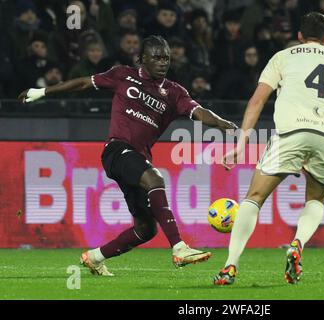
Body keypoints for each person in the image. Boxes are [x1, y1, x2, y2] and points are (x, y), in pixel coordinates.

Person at [19, 35, 238, 276]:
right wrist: (42, 92)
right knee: (155, 179)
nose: (163, 62)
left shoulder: (175, 93)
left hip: (138, 157)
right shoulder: (123, 75)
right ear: (142, 59)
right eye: (156, 57)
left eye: (166, 58)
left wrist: (222, 123)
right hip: (117, 150)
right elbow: (83, 83)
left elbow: (199, 112)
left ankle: (95, 257)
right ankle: (179, 247)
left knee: (146, 229)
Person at [213, 12, 324, 285]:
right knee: (315, 199)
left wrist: (241, 142)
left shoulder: (283, 56)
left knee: (254, 197)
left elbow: (256, 101)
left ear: (299, 36)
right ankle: (297, 244)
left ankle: (230, 266)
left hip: (292, 131)